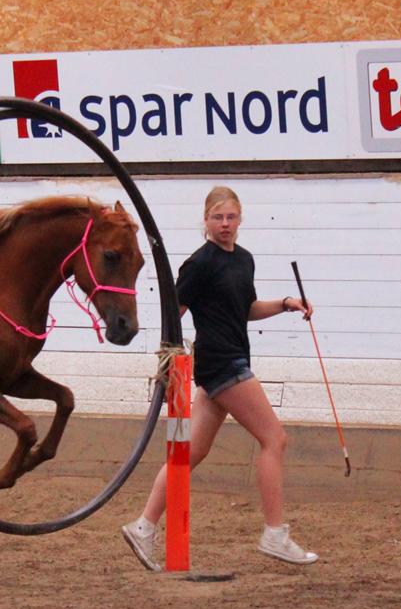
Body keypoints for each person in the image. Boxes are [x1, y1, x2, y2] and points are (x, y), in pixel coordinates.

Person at [121, 185, 318, 569]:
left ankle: (143, 526)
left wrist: (285, 305)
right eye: (217, 218)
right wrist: (167, 362)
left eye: (230, 217)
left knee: (191, 451)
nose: (224, 224)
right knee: (274, 439)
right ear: (206, 220)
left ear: (240, 219)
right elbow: (171, 315)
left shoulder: (243, 260)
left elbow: (244, 309)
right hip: (222, 364)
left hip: (229, 361)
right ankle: (275, 533)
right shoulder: (199, 264)